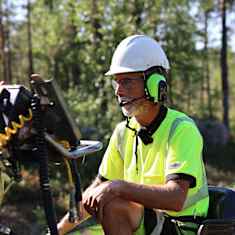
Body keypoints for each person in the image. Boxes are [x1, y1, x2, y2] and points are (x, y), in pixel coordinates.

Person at [58, 35, 209, 235]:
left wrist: (118, 187)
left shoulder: (181, 129)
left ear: (156, 84)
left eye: (127, 81)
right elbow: (97, 190)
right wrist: (57, 231)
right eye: (116, 83)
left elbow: (175, 199)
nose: (119, 91)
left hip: (181, 227)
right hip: (144, 220)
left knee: (112, 204)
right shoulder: (123, 132)